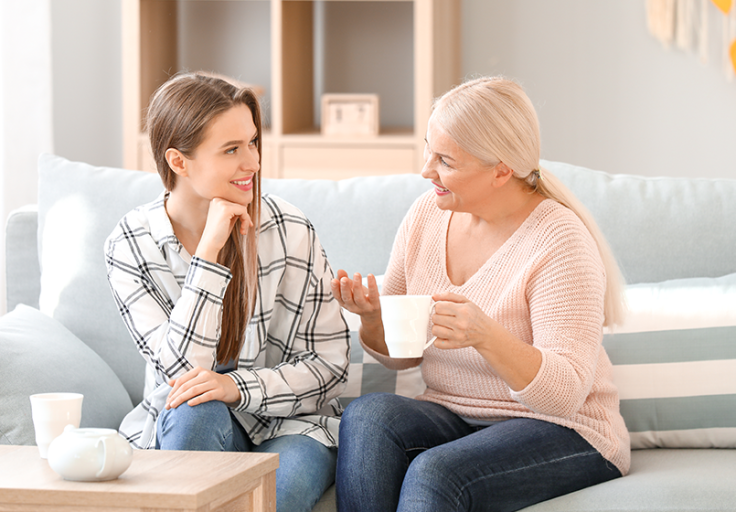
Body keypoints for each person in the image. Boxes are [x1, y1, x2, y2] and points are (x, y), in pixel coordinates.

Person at [331, 77, 630, 512]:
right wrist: (373, 317)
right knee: (368, 416)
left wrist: (486, 336)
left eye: (445, 160)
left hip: (564, 428)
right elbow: (404, 354)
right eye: (428, 151)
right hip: (455, 415)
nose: (425, 171)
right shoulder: (424, 217)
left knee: (436, 472)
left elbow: (564, 395)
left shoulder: (559, 239)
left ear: (501, 170)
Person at [104, 72, 349, 512]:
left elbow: (328, 365)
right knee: (193, 409)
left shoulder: (289, 229)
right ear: (179, 161)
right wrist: (210, 255)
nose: (253, 162)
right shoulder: (131, 244)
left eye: (253, 142)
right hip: (190, 421)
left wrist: (235, 387)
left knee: (271, 498)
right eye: (232, 150)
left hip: (292, 427)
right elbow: (180, 374)